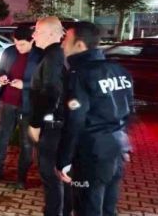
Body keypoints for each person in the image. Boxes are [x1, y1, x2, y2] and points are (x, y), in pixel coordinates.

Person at [55, 22, 133, 216]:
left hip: (90, 153)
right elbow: (129, 110)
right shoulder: (119, 70)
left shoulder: (79, 75)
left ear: (80, 44)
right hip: (115, 149)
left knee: (86, 206)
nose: (62, 44)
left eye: (66, 40)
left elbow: (75, 120)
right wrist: (125, 145)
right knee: (108, 207)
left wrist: (63, 160)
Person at [0, 25, 42, 188]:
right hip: (7, 101)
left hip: (28, 104)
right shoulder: (9, 51)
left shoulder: (40, 55)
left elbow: (44, 82)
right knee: (0, 137)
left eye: (22, 44)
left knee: (26, 142)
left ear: (32, 41)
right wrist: (1, 76)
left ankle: (21, 177)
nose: (18, 47)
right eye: (16, 43)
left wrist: (25, 85)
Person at [29, 16, 71, 216]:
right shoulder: (58, 54)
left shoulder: (53, 57)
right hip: (61, 124)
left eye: (38, 31)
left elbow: (49, 92)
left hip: (53, 127)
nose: (34, 35)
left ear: (52, 33)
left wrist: (36, 124)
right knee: (61, 175)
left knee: (51, 176)